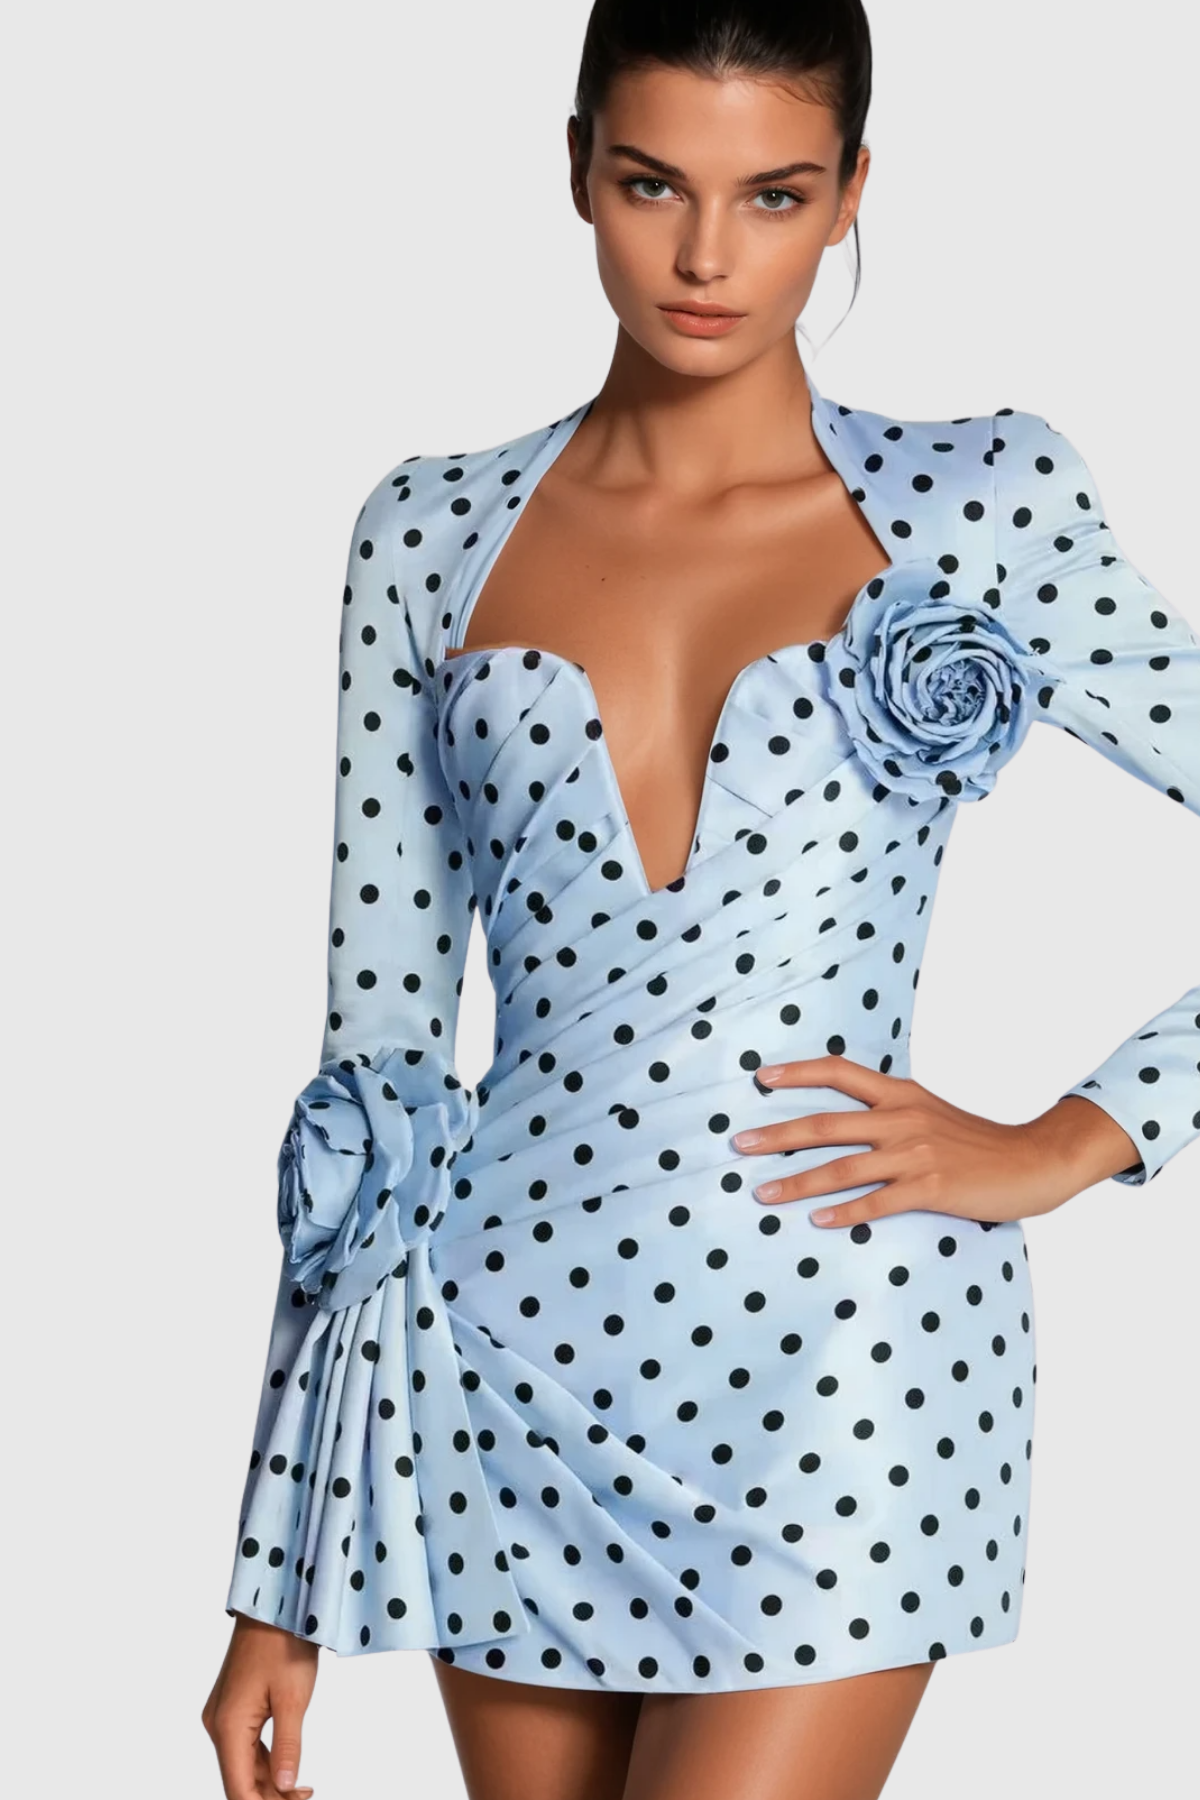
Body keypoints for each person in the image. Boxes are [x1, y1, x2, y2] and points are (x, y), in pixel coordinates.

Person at [202, 4, 1200, 1797]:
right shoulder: (425, 533)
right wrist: (277, 1580)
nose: (708, 256)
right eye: (655, 183)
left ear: (854, 192)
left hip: (845, 1358)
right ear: (577, 167)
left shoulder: (980, 504)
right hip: (500, 1351)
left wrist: (1081, 1136)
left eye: (776, 194)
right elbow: (375, 1078)